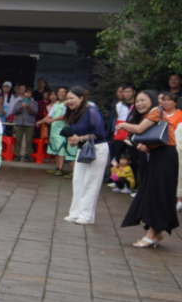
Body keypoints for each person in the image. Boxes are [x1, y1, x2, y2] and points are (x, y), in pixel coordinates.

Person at [117, 90, 179, 246]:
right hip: (160, 156)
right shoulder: (152, 115)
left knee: (156, 193)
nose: (139, 103)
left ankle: (151, 234)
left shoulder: (156, 111)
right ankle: (156, 233)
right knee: (152, 192)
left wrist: (123, 125)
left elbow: (138, 130)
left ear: (152, 100)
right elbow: (159, 139)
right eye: (137, 101)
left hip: (165, 158)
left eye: (142, 100)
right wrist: (149, 148)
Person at [62, 87, 108, 225]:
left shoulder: (91, 111)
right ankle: (75, 212)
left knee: (90, 182)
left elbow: (99, 133)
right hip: (83, 149)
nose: (69, 101)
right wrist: (73, 140)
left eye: (72, 98)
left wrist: (79, 138)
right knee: (78, 181)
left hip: (97, 149)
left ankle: (87, 216)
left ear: (81, 98)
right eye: (68, 98)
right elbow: (74, 134)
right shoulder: (72, 113)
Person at [39, 89, 76, 177]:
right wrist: (40, 122)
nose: (61, 94)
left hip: (62, 130)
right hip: (53, 130)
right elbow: (49, 115)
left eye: (63, 92)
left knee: (61, 149)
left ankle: (60, 168)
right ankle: (57, 167)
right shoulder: (56, 104)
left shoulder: (67, 104)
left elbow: (65, 115)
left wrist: (53, 120)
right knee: (55, 150)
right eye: (59, 92)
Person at [12, 88, 38, 161]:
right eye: (26, 93)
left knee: (29, 140)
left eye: (29, 93)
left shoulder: (34, 103)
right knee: (18, 140)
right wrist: (21, 107)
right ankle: (17, 155)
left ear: (31, 95)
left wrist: (28, 107)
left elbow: (35, 112)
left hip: (29, 124)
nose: (27, 94)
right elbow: (14, 111)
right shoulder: (18, 102)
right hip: (19, 123)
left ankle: (27, 155)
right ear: (24, 94)